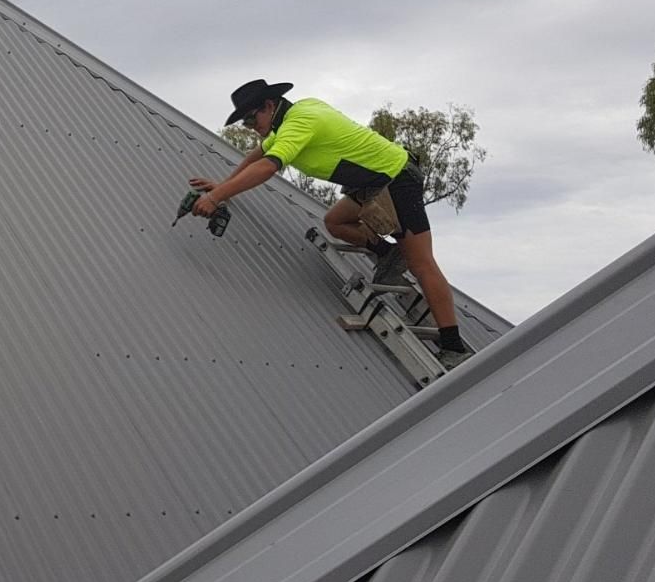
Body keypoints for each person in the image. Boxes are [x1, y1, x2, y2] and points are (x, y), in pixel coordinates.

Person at [189, 79, 471, 368]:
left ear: (270, 105)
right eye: (246, 124)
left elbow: (267, 166)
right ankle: (388, 255)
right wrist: (222, 185)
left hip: (397, 178)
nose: (251, 127)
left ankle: (453, 346)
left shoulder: (300, 122)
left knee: (421, 264)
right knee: (335, 222)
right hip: (372, 185)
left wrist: (217, 198)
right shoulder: (291, 118)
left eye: (251, 118)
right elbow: (258, 154)